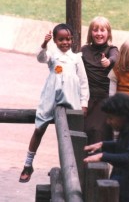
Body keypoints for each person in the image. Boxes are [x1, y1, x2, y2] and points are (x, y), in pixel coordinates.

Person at [19, 23, 89, 183]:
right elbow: (40, 58)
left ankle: (72, 171)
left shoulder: (76, 59)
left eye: (68, 39)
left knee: (70, 136)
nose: (65, 42)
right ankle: (28, 164)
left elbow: (84, 83)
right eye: (61, 40)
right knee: (39, 129)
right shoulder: (52, 56)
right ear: (56, 41)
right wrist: (44, 44)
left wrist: (83, 103)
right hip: (51, 97)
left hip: (71, 99)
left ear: (72, 39)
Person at [81, 16, 119, 144]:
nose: (99, 33)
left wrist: (108, 62)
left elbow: (115, 57)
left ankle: (99, 162)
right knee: (83, 131)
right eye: (95, 30)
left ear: (108, 33)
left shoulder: (112, 50)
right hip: (87, 98)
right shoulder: (84, 50)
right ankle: (83, 163)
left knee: (97, 130)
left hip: (104, 98)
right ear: (90, 33)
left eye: (102, 30)